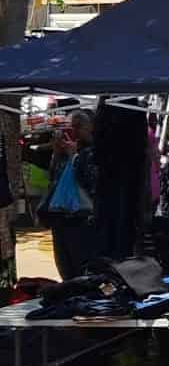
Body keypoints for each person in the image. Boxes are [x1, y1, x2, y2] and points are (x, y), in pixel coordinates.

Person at [44, 109, 98, 280]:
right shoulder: (65, 151)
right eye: (70, 127)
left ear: (92, 127)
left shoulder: (93, 152)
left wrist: (74, 157)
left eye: (78, 126)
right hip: (60, 218)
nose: (73, 131)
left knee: (81, 269)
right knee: (65, 268)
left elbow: (92, 182)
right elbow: (53, 178)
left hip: (82, 219)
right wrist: (56, 153)